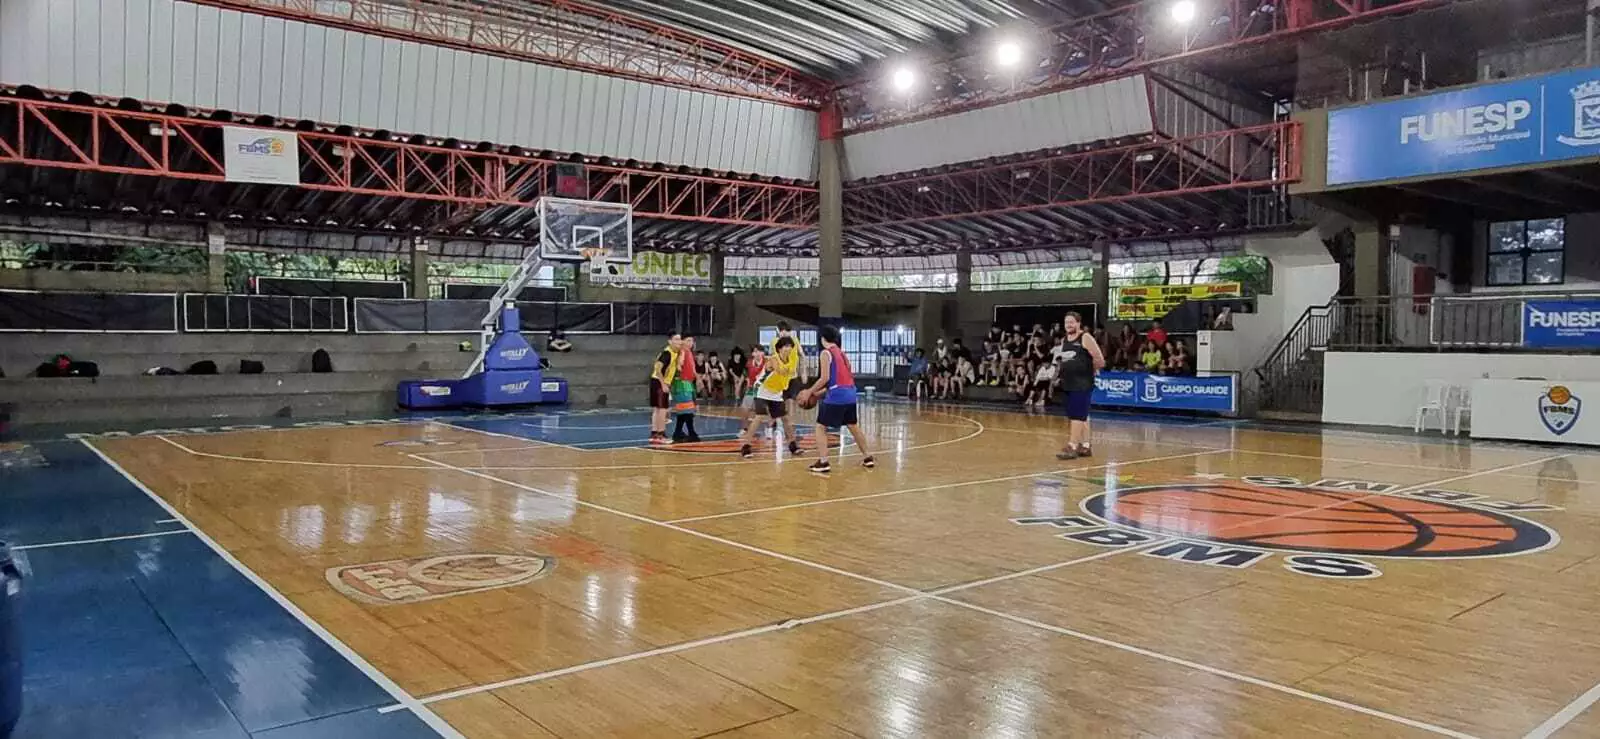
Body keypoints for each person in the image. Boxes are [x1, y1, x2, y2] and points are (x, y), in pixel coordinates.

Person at [801, 325, 876, 474]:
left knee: (820, 427)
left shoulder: (825, 353)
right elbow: (840, 381)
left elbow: (825, 378)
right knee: (853, 426)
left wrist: (809, 391)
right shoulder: (843, 354)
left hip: (837, 396)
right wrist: (818, 394)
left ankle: (823, 462)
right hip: (850, 394)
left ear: (822, 338)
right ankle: (868, 457)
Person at [739, 336, 803, 459]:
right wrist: (793, 365)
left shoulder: (791, 359)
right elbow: (781, 371)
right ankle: (746, 446)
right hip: (762, 390)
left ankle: (793, 445)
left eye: (790, 346)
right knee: (759, 416)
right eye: (785, 346)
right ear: (779, 349)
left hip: (776, 392)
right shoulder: (773, 359)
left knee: (785, 418)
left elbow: (791, 371)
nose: (788, 349)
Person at [1056, 311, 1105, 460]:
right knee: (1081, 415)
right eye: (1066, 322)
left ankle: (1072, 446)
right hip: (1068, 383)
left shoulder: (1085, 337)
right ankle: (1086, 446)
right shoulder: (1065, 340)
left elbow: (1099, 359)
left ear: (1078, 323)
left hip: (1082, 383)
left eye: (1071, 322)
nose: (1069, 325)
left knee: (1077, 416)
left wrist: (1092, 370)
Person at [647, 332, 683, 445]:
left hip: (655, 381)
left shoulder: (674, 353)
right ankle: (661, 435)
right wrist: (663, 384)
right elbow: (658, 369)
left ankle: (654, 434)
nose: (679, 342)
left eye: (680, 339)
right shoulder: (667, 353)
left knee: (657, 409)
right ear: (670, 341)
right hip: (659, 382)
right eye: (676, 339)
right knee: (662, 409)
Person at [672, 336, 701, 443]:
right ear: (683, 341)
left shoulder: (689, 352)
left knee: (684, 411)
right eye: (688, 340)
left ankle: (678, 432)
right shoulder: (683, 351)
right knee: (687, 410)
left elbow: (692, 369)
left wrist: (698, 378)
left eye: (692, 341)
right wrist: (679, 369)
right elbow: (680, 364)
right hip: (682, 383)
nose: (690, 343)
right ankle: (691, 433)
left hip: (687, 383)